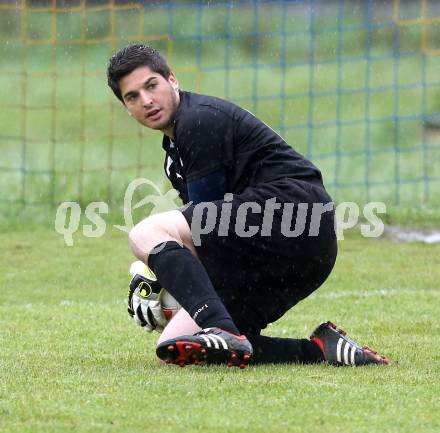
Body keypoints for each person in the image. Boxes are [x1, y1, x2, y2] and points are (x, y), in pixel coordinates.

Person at [107, 44, 389, 368]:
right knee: (178, 348)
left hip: (292, 210)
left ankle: (220, 329)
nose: (146, 100)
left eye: (151, 85)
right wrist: (169, 282)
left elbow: (202, 228)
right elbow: (208, 235)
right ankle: (320, 350)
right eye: (132, 96)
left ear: (172, 80)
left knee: (145, 233)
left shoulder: (198, 120)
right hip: (305, 253)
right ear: (127, 108)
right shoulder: (175, 155)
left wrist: (154, 277)